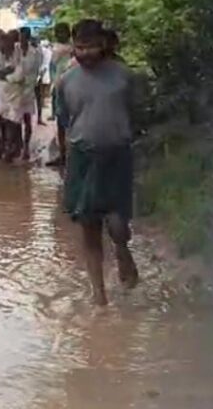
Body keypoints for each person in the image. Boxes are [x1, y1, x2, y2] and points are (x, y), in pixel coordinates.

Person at [58, 19, 139, 306]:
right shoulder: (66, 81)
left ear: (103, 44)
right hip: (83, 159)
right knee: (88, 226)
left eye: (91, 46)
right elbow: (64, 120)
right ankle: (99, 295)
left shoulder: (124, 77)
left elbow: (136, 113)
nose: (85, 53)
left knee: (118, 224)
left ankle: (122, 249)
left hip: (118, 156)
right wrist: (65, 156)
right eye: (79, 47)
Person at [46, 22, 75, 167]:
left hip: (69, 87)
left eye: (61, 32)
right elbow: (52, 68)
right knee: (61, 122)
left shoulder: (70, 49)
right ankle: (64, 154)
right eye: (57, 33)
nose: (59, 35)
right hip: (60, 87)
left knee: (68, 122)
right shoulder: (61, 48)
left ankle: (67, 155)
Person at [0, 31, 23, 162]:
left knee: (13, 122)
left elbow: (20, 76)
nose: (5, 46)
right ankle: (3, 148)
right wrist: (7, 72)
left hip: (15, 94)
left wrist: (4, 75)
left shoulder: (19, 55)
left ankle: (11, 149)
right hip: (1, 94)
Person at [15, 27, 44, 161]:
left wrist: (33, 83)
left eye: (24, 36)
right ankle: (17, 145)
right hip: (15, 88)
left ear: (27, 37)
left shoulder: (36, 52)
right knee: (15, 119)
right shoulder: (15, 50)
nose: (22, 39)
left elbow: (37, 69)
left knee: (27, 119)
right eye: (20, 36)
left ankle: (26, 147)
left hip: (29, 88)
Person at [37, 39, 53, 126]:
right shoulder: (47, 51)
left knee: (40, 94)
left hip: (41, 73)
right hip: (42, 73)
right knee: (41, 94)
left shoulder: (41, 51)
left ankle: (39, 117)